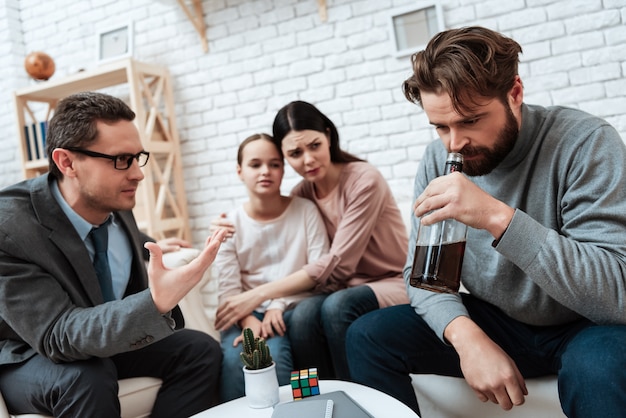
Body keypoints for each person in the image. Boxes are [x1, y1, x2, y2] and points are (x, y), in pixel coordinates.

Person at [346, 26, 626, 417]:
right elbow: (422, 275)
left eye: (470, 121)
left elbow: (616, 294)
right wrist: (467, 338)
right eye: (441, 127)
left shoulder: (585, 142)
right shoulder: (438, 160)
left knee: (600, 366)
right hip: (501, 320)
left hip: (583, 324)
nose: (454, 143)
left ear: (514, 93)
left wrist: (496, 216)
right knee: (368, 335)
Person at [0, 91, 227, 418]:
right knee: (87, 377)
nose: (137, 173)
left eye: (138, 157)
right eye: (122, 160)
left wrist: (156, 244)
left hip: (101, 339)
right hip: (32, 352)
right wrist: (155, 303)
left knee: (200, 350)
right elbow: (57, 335)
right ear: (67, 162)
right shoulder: (9, 230)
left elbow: (101, 240)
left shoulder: (111, 198)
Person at [214, 101, 409, 380]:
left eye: (314, 145)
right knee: (308, 314)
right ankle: (317, 398)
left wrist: (260, 295)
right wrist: (221, 226)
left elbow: (337, 265)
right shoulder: (302, 194)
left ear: (328, 136)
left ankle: (352, 394)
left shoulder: (364, 179)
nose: (307, 160)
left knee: (335, 306)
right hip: (339, 289)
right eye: (295, 153)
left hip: (390, 282)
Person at [216, 133, 329, 402]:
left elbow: (319, 272)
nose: (265, 171)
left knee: (274, 357)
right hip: (247, 312)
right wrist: (247, 320)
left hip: (294, 307)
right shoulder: (228, 224)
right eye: (255, 165)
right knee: (241, 361)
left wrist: (278, 304)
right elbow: (228, 290)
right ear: (240, 171)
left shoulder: (305, 211)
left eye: (274, 164)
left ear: (283, 169)